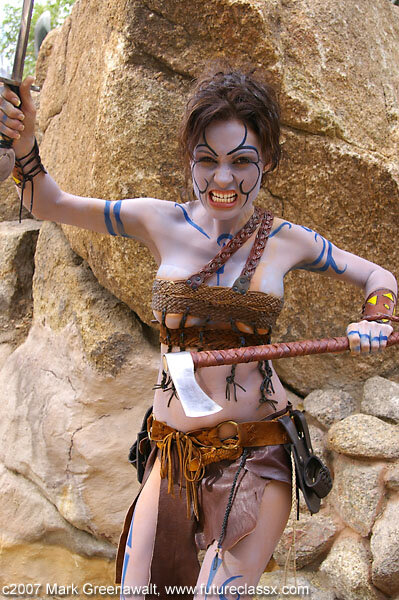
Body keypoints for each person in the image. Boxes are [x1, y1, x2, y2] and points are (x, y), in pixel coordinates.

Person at [0, 67, 397, 600]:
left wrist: (377, 317)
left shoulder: (289, 241)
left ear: (268, 163)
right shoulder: (156, 220)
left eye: (241, 161)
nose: (223, 179)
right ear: (190, 160)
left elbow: (380, 277)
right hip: (172, 456)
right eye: (207, 160)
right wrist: (25, 143)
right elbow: (49, 204)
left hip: (255, 453)